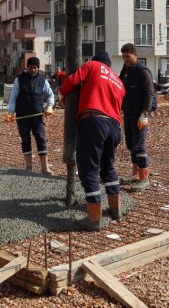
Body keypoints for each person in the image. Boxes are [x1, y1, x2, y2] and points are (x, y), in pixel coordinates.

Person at [59, 51, 126, 231]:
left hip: (94, 121)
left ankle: (94, 217)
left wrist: (61, 93)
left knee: (89, 169)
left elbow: (71, 82)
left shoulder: (92, 66)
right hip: (115, 127)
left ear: (97, 61)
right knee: (108, 167)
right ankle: (115, 210)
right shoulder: (118, 81)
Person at [7, 57, 55, 174]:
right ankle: (29, 166)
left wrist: (49, 106)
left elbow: (50, 95)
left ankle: (45, 168)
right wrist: (10, 112)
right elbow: (13, 97)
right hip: (22, 116)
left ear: (38, 68)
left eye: (35, 67)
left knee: (41, 139)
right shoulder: (19, 80)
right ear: (27, 67)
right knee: (25, 139)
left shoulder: (43, 81)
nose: (32, 70)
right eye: (30, 67)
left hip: (37, 116)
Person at [119, 43, 155, 192]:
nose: (125, 59)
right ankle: (135, 174)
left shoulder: (143, 71)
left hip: (140, 115)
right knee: (131, 145)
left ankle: (144, 178)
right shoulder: (126, 71)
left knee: (139, 146)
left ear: (135, 55)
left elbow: (149, 94)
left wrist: (145, 114)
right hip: (128, 113)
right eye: (123, 57)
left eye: (128, 56)